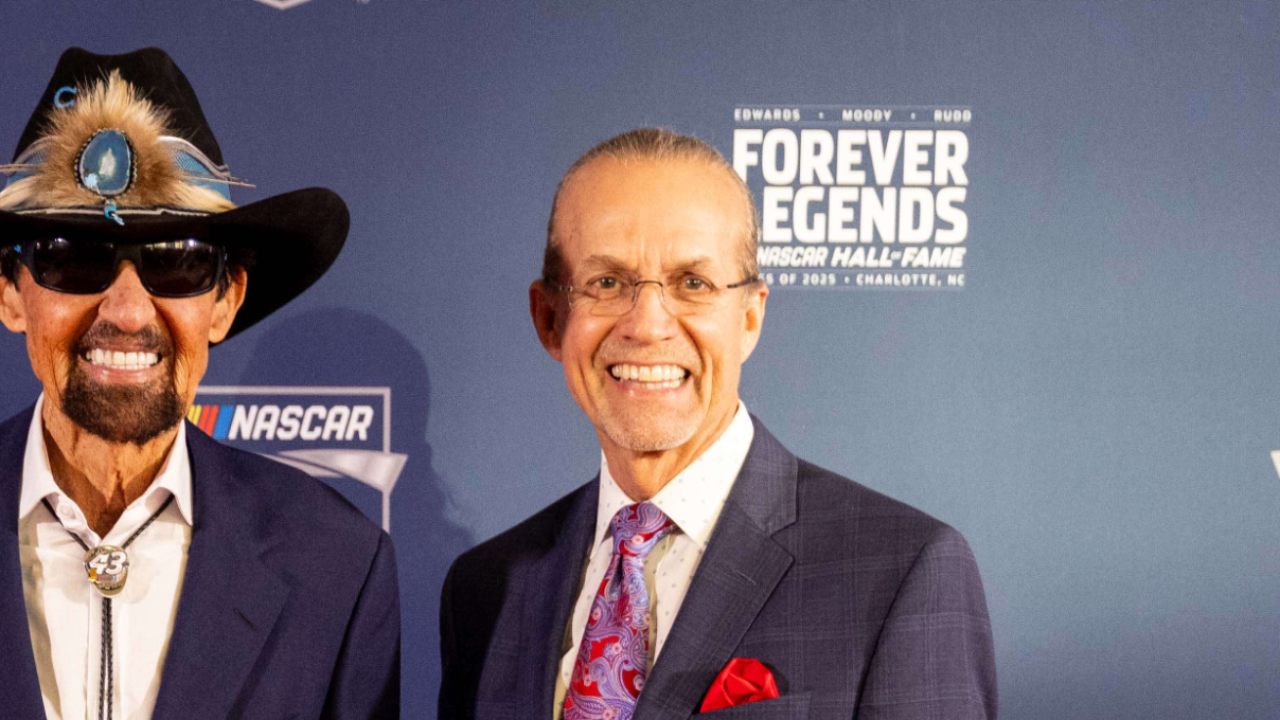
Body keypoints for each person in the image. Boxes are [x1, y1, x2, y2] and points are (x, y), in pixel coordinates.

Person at [439, 128, 996, 719]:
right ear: (549, 319)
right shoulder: (484, 590)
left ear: (749, 319)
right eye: (607, 283)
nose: (648, 324)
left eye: (692, 284)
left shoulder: (901, 573)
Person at [0, 48, 399, 719]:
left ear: (224, 301)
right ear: (11, 293)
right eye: (74, 259)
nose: (126, 313)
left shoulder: (336, 564)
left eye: (176, 263)